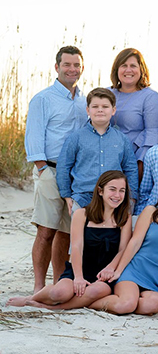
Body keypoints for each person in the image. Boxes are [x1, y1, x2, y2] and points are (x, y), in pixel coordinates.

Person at [7, 171, 132, 310]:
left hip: (103, 276)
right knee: (59, 293)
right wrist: (78, 277)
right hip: (78, 269)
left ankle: (53, 308)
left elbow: (123, 249)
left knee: (97, 290)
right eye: (112, 189)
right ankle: (30, 298)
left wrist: (110, 268)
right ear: (100, 191)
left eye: (122, 191)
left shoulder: (124, 217)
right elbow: (76, 247)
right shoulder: (82, 214)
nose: (117, 195)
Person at [89, 169, 158, 315]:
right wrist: (118, 271)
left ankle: (123, 300)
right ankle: (90, 303)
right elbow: (134, 243)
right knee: (126, 304)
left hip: (157, 280)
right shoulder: (151, 212)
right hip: (134, 271)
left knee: (154, 305)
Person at [25, 45, 88, 293]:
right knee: (46, 230)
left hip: (76, 175)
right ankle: (39, 286)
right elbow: (34, 138)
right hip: (50, 171)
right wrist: (43, 170)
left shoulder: (85, 101)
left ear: (82, 68)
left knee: (66, 231)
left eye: (76, 65)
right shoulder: (43, 99)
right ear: (57, 67)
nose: (72, 69)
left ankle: (58, 284)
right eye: (67, 65)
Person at [57, 88, 139, 213]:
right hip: (83, 197)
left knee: (111, 232)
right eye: (95, 106)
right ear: (88, 110)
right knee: (82, 231)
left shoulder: (122, 139)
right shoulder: (76, 138)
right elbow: (63, 167)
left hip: (114, 198)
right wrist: (67, 196)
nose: (100, 110)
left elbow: (131, 169)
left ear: (113, 110)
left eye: (105, 106)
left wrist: (132, 197)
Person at [109, 48, 158, 181]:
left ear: (141, 70)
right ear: (116, 69)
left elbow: (153, 136)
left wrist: (138, 169)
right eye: (124, 65)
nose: (128, 70)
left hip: (134, 164)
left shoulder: (150, 97)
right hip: (107, 161)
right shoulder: (107, 94)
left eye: (133, 66)